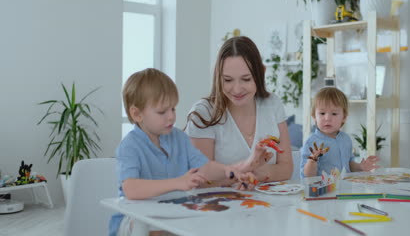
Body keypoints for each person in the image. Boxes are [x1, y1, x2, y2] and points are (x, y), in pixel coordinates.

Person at [109, 68, 260, 236]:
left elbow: (204, 167)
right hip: (134, 219)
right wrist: (178, 182)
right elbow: (131, 189)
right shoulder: (129, 146)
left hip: (172, 212)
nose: (171, 117)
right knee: (157, 230)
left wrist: (228, 171)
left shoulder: (179, 138)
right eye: (162, 112)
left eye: (173, 109)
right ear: (137, 114)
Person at [185, 36, 293, 186]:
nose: (236, 89)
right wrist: (244, 171)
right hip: (218, 206)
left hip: (270, 206)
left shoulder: (272, 104)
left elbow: (286, 167)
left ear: (260, 73)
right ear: (218, 77)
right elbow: (198, 180)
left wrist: (256, 175)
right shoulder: (204, 113)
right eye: (228, 80)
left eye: (246, 79)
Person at [300, 87, 379, 178]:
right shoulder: (311, 143)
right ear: (314, 116)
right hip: (322, 190)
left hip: (345, 188)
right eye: (322, 113)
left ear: (344, 117)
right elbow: (307, 176)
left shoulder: (345, 139)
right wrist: (312, 161)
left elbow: (348, 164)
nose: (327, 118)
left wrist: (360, 167)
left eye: (334, 114)